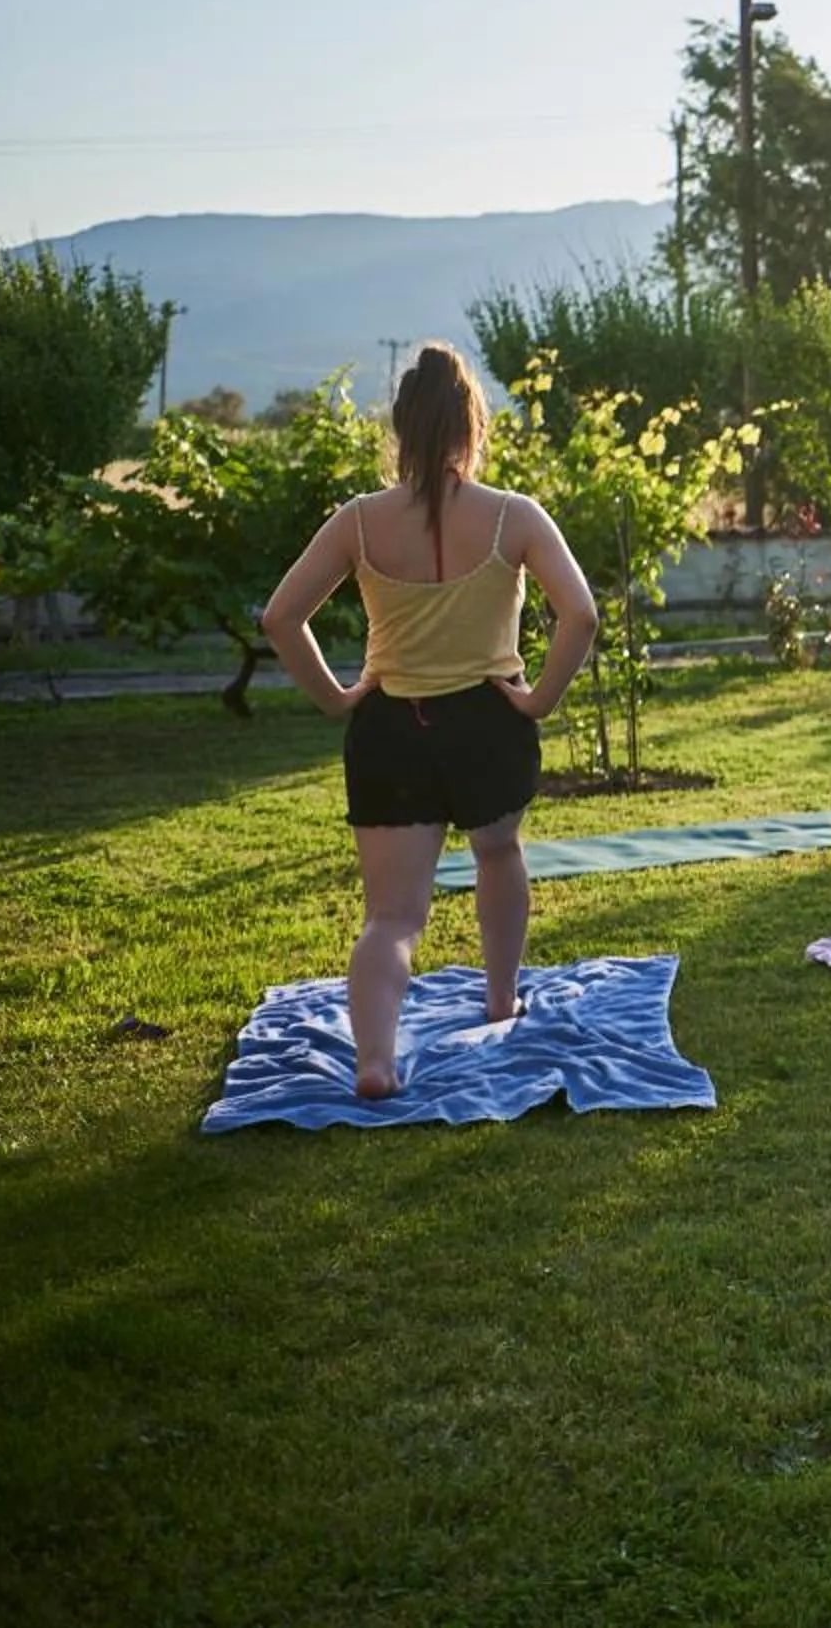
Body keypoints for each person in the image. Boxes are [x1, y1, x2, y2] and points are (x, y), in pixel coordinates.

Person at [259, 343, 598, 1101]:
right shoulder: (515, 516)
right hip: (488, 722)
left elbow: (282, 617)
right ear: (471, 427)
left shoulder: (359, 521)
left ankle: (374, 1061)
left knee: (391, 917)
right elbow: (581, 614)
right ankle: (502, 999)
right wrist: (540, 698)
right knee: (498, 853)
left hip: (388, 728)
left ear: (402, 431)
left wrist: (335, 696)